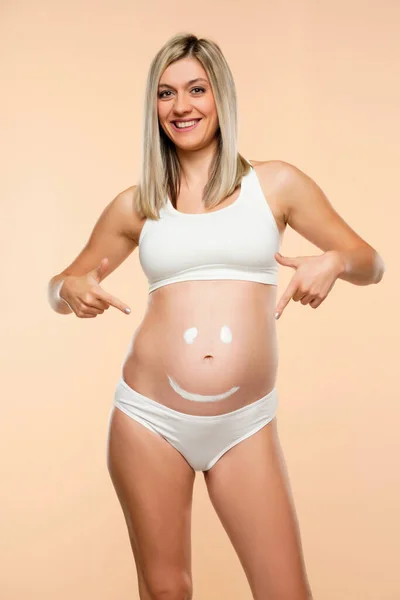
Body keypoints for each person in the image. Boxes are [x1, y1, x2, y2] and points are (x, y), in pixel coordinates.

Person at [47, 32, 385, 600]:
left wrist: (333, 262)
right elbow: (61, 285)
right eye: (166, 94)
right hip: (148, 419)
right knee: (166, 590)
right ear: (153, 107)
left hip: (245, 425)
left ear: (220, 96)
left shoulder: (275, 185)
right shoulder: (138, 204)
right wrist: (70, 289)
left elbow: (369, 262)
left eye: (196, 89)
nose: (182, 107)